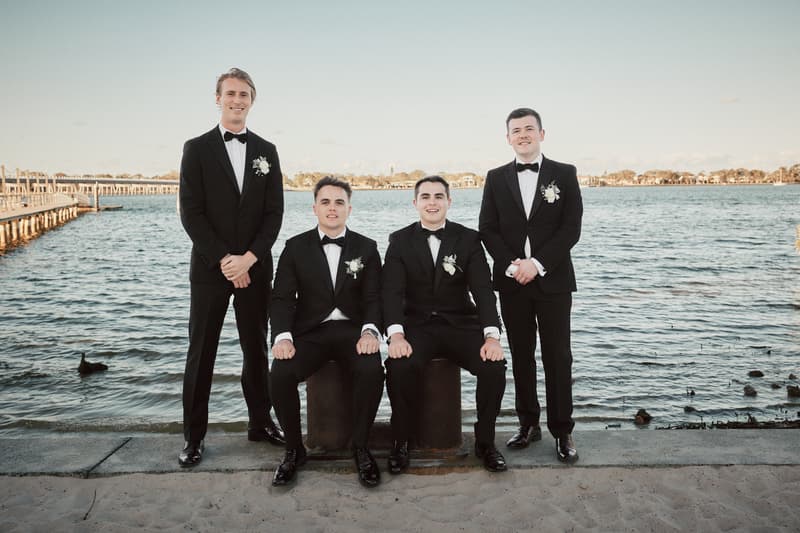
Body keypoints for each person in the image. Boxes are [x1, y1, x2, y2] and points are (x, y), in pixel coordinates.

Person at [178, 68, 285, 467]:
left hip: (256, 267)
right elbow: (191, 212)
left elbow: (274, 213)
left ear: (252, 100)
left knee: (255, 348)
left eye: (244, 94)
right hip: (210, 268)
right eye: (230, 93)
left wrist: (250, 259)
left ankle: (261, 423)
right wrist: (225, 260)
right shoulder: (196, 148)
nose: (237, 100)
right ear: (218, 98)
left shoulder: (267, 151)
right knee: (201, 351)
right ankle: (193, 438)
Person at [383, 176, 507, 473]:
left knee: (494, 367)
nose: (432, 202)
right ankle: (401, 441)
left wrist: (492, 336)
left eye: (439, 196)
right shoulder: (399, 241)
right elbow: (391, 292)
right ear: (415, 203)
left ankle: (485, 442)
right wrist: (396, 335)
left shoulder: (468, 239)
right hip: (418, 327)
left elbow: (483, 290)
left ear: (449, 202)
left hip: (460, 325)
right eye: (425, 197)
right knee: (399, 366)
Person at [479, 107, 583, 463]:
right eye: (515, 130)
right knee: (521, 357)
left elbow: (571, 228)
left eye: (528, 129)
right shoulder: (494, 178)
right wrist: (513, 267)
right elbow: (487, 229)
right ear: (507, 138)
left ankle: (562, 430)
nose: (522, 135)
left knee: (558, 356)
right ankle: (528, 424)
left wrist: (537, 265)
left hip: (553, 282)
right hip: (512, 284)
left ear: (542, 133)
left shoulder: (564, 174)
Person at [269, 176, 385, 488]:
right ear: (314, 208)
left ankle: (360, 446)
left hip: (352, 332)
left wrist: (371, 332)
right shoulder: (295, 248)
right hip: (311, 332)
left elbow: (375, 298)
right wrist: (282, 337)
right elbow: (281, 298)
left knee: (372, 369)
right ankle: (294, 449)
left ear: (349, 208)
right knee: (279, 374)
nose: (332, 208)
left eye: (338, 203)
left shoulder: (367, 248)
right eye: (325, 202)